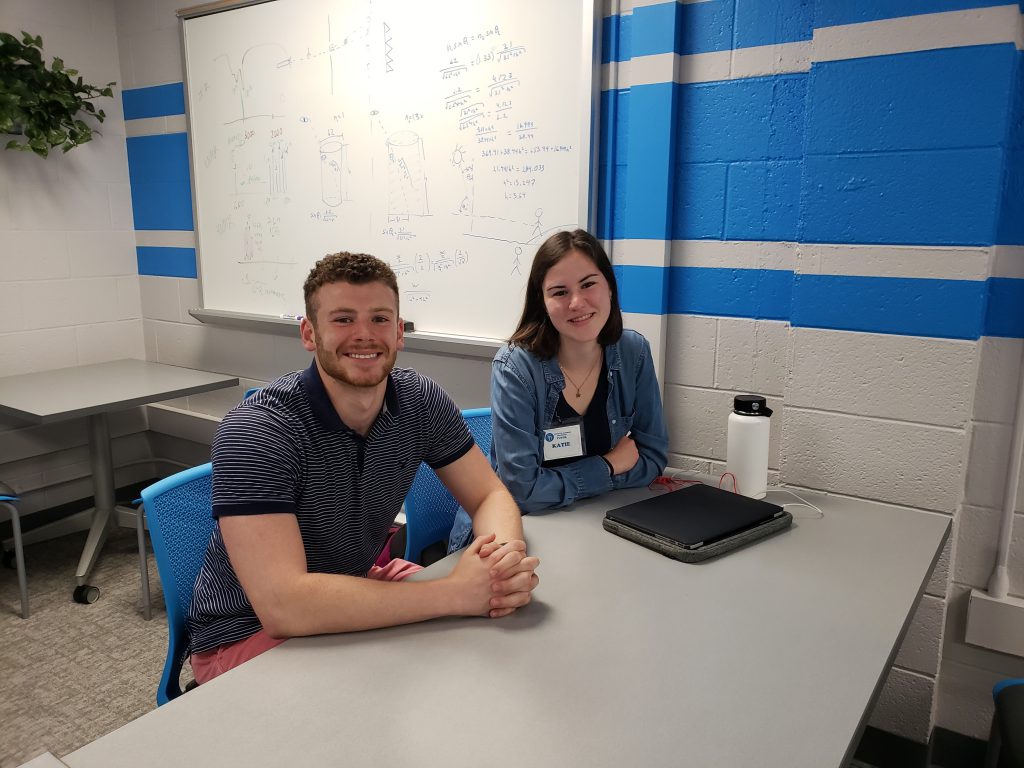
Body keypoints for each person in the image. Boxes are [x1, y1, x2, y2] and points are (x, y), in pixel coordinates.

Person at [187, 252, 539, 684]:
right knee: (393, 692)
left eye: (379, 319)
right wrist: (454, 593)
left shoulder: (419, 400)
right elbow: (285, 605)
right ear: (309, 333)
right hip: (247, 631)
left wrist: (500, 567)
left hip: (353, 580)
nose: (364, 335)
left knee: (486, 648)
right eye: (342, 319)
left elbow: (489, 495)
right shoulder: (260, 431)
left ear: (398, 332)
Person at [449, 230, 668, 549]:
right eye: (559, 292)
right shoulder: (515, 369)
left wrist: (562, 486)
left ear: (609, 285)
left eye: (589, 284)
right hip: (512, 536)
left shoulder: (633, 352)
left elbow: (652, 457)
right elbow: (523, 492)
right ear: (543, 301)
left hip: (595, 525)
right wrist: (608, 466)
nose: (577, 303)